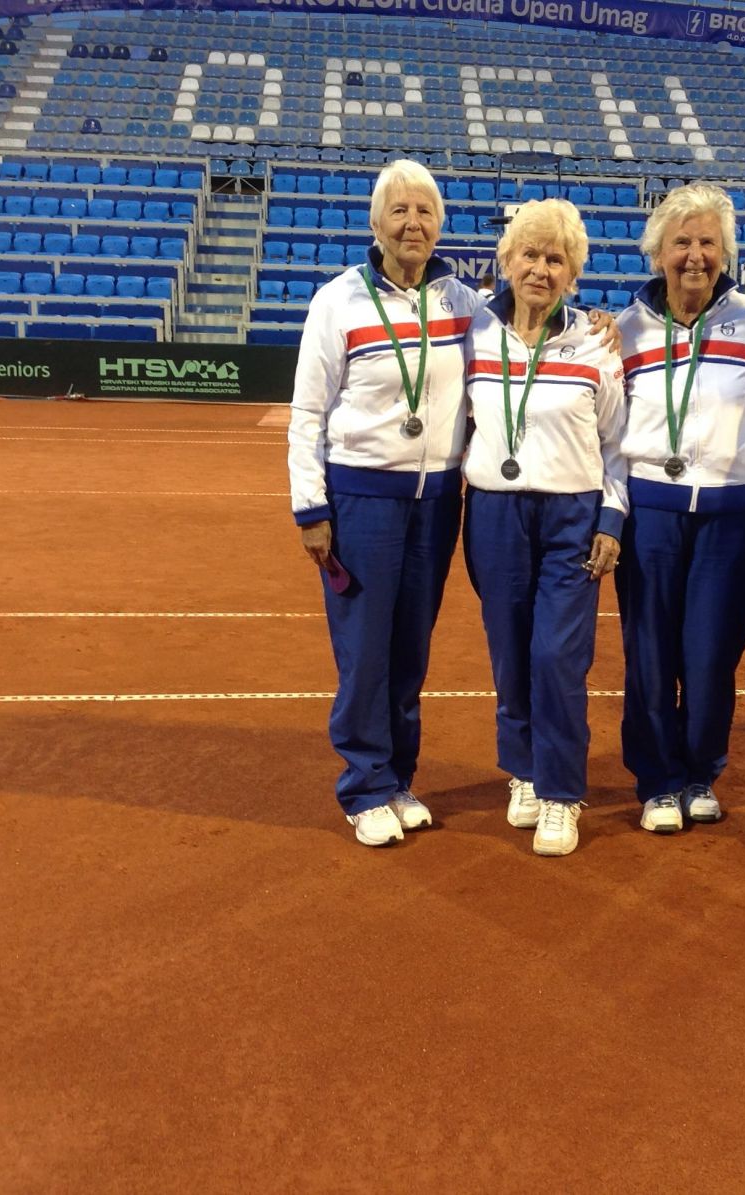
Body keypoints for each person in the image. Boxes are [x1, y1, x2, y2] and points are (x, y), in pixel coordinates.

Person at [288, 159, 481, 847]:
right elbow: (307, 413)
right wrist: (310, 508)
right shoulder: (337, 301)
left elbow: (528, 330)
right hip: (362, 497)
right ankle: (363, 785)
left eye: (425, 211)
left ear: (440, 225)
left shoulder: (463, 302)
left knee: (411, 650)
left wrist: (594, 324)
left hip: (437, 503)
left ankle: (399, 777)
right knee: (365, 651)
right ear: (375, 223)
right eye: (399, 211)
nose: (413, 223)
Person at [461, 198, 627, 858]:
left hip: (572, 518)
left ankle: (561, 791)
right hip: (496, 514)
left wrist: (612, 518)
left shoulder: (597, 345)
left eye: (555, 257)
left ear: (573, 271)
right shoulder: (470, 336)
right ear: (505, 261)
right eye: (529, 253)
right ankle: (523, 770)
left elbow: (620, 444)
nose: (540, 267)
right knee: (510, 651)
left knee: (557, 655)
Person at [615, 183, 745, 833]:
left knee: (711, 652)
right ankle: (656, 780)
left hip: (731, 514)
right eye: (681, 242)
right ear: (657, 253)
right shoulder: (621, 331)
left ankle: (701, 771)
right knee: (650, 651)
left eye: (708, 241)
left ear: (725, 252)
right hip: (650, 509)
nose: (695, 255)